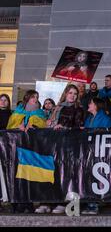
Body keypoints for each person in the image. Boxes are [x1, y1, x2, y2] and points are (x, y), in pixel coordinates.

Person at [35, 84, 85, 214]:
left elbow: (78, 127)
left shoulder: (78, 109)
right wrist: (49, 123)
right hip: (52, 144)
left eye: (75, 93)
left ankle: (62, 202)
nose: (72, 96)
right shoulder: (57, 107)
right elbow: (50, 123)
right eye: (70, 93)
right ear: (65, 93)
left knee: (64, 174)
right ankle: (46, 202)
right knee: (49, 173)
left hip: (67, 146)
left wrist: (63, 126)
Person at [7, 91, 46, 214]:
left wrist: (33, 126)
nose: (35, 99)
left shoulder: (40, 112)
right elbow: (10, 126)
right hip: (17, 147)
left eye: (37, 97)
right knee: (17, 174)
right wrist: (18, 126)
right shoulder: (18, 111)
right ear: (27, 98)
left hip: (32, 147)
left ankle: (29, 203)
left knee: (30, 175)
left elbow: (43, 126)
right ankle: (18, 202)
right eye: (33, 97)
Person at [82, 97, 111, 215]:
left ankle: (94, 205)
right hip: (88, 150)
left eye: (91, 103)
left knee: (96, 177)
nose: (89, 104)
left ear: (97, 106)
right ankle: (90, 203)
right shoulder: (89, 118)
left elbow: (105, 133)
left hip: (98, 151)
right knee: (88, 177)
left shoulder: (105, 118)